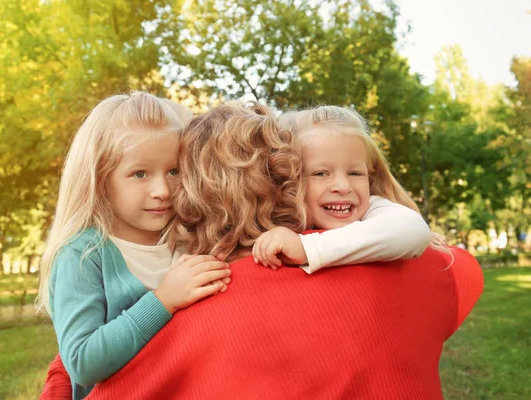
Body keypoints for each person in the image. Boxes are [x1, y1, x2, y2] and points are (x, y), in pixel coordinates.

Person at [40, 101, 483, 400]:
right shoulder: (92, 256)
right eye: (319, 173)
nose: (163, 190)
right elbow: (79, 357)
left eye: (176, 172)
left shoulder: (225, 278)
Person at [36, 92, 232, 400]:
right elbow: (82, 363)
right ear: (100, 179)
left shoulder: (190, 236)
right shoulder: (83, 255)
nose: (162, 190)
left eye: (174, 171)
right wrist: (163, 300)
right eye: (140, 174)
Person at [252, 105, 446, 270]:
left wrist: (307, 248)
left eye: (355, 173)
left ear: (370, 177)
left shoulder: (373, 208)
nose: (343, 187)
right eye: (321, 173)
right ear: (288, 180)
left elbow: (411, 231)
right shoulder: (271, 218)